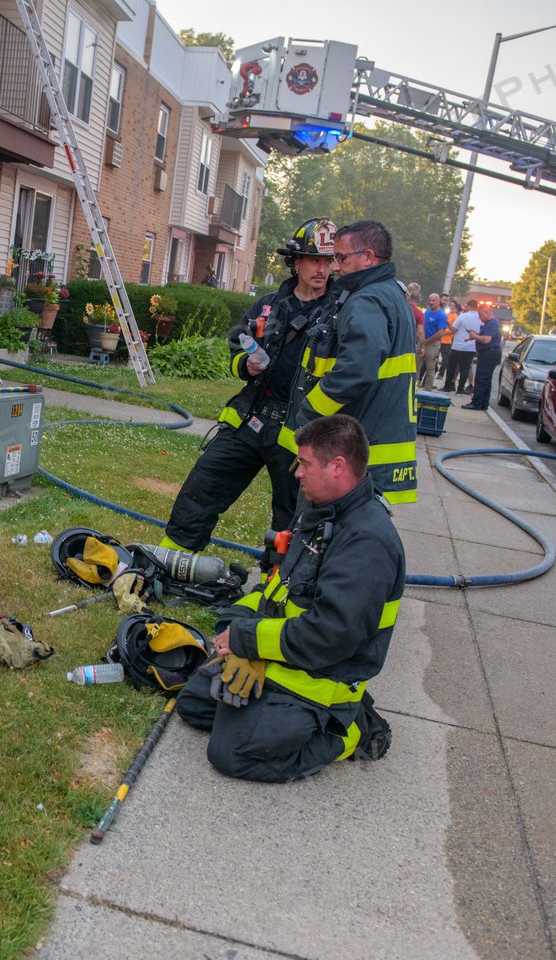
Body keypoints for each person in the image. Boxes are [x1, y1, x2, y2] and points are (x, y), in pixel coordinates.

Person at [176, 414, 403, 782]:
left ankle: (347, 732)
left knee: (229, 754)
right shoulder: (320, 513)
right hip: (290, 658)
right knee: (194, 705)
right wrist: (238, 628)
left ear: (338, 467)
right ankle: (268, 716)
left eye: (306, 464)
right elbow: (280, 591)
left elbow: (332, 635)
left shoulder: (366, 543)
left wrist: (251, 642)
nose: (296, 471)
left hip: (323, 676)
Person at [160, 218, 336, 550]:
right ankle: (173, 563)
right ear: (295, 262)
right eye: (314, 260)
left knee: (293, 515)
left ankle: (278, 586)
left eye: (328, 262)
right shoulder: (268, 306)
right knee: (204, 485)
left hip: (299, 427)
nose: (322, 269)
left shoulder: (337, 314)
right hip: (252, 416)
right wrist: (246, 365)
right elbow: (236, 341)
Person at [286, 220, 418, 505]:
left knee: (318, 536)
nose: (335, 267)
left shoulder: (367, 300)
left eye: (341, 258)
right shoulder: (392, 295)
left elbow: (356, 369)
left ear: (368, 257)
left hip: (356, 450)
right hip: (377, 442)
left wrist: (310, 411)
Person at [462, 301, 502, 410]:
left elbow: (487, 340)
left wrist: (475, 336)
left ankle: (476, 402)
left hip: (489, 354)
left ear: (487, 312)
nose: (480, 318)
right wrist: (474, 336)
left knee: (481, 379)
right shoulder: (491, 324)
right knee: (486, 380)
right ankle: (484, 403)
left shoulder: (492, 323)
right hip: (490, 353)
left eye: (480, 315)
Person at [443, 299, 482, 395]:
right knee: (465, 369)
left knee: (451, 367)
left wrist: (447, 322)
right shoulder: (480, 318)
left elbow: (453, 330)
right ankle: (460, 390)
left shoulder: (463, 316)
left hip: (458, 346)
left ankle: (447, 387)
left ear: (469, 306)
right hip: (471, 347)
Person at [419, 292, 450, 390]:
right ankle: (413, 386)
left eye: (433, 300)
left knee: (430, 368)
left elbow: (441, 332)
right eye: (430, 300)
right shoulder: (427, 311)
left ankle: (427, 389)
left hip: (433, 344)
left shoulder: (441, 315)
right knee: (416, 366)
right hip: (422, 342)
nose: (431, 302)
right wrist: (422, 341)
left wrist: (427, 341)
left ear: (438, 301)